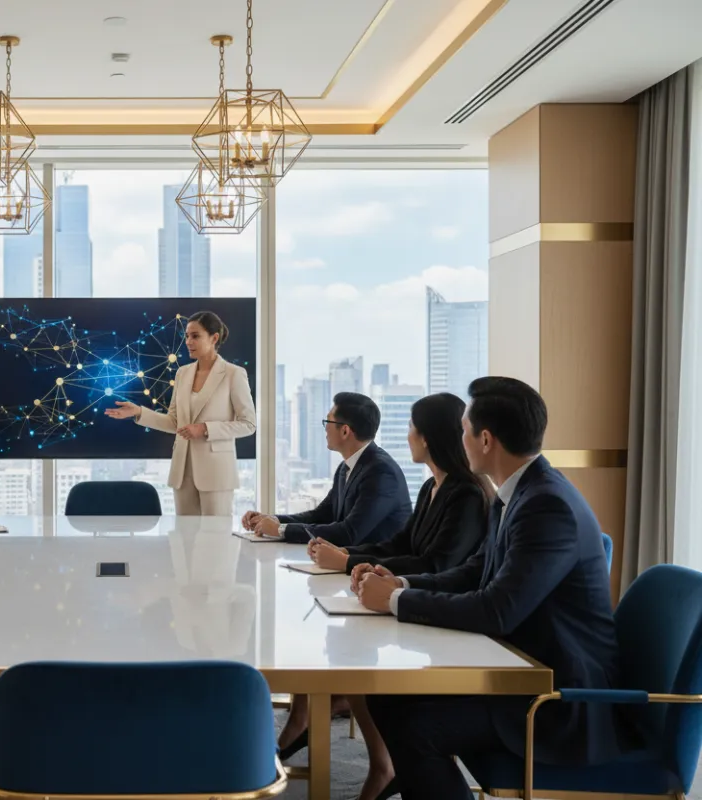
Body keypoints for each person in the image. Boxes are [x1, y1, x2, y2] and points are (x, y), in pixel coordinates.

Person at [357, 377, 626, 800]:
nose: (459, 438)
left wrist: (394, 600)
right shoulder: (520, 493)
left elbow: (498, 610)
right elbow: (472, 571)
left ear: (485, 439)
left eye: (464, 430)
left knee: (416, 729)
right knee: (387, 697)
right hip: (519, 667)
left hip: (558, 698)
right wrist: (401, 583)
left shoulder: (546, 505)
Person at [275, 392, 492, 800]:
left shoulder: (464, 493)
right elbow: (402, 544)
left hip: (444, 621)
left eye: (411, 428)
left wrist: (359, 566)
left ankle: (381, 760)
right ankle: (374, 757)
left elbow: (439, 563)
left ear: (427, 438)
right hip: (415, 600)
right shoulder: (432, 486)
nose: (406, 436)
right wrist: (357, 562)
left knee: (365, 666)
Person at [104, 310, 255, 517]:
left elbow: (248, 424)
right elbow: (174, 422)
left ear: (214, 338)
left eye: (195, 336)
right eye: (186, 336)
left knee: (216, 539)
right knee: (185, 540)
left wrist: (205, 429)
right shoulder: (183, 373)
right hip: (182, 471)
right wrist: (139, 412)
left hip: (216, 472)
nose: (188, 341)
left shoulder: (233, 374)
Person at [242, 392, 410, 546]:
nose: (325, 428)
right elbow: (321, 516)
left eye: (328, 421)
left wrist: (280, 530)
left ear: (345, 431)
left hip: (377, 571)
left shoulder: (381, 472)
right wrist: (273, 520)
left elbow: (349, 533)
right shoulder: (347, 467)